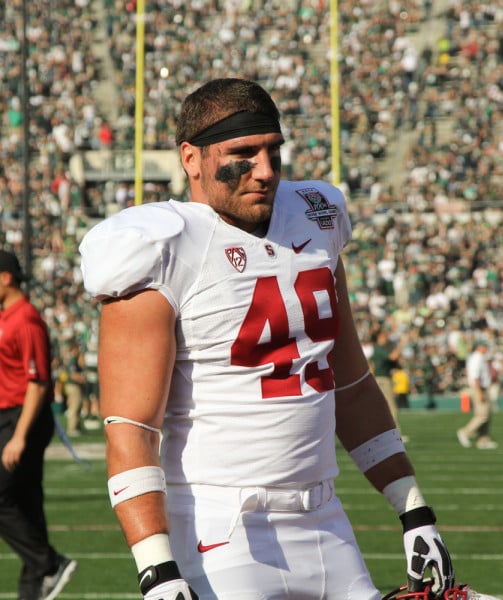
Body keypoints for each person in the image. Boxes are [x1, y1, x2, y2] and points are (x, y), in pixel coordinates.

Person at [79, 78, 454, 600]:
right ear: (192, 158)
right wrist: (157, 571)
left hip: (326, 520)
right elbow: (132, 429)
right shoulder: (162, 245)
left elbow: (350, 383)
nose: (266, 170)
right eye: (243, 153)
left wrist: (413, 510)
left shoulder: (316, 218)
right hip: (222, 530)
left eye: (273, 151)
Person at [0, 250, 77, 600]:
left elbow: (38, 382)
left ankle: (49, 564)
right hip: (11, 415)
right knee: (26, 502)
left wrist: (18, 436)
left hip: (24, 417)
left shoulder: (26, 319)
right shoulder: (8, 317)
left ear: (5, 278)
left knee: (4, 495)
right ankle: (34, 588)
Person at [457, 340, 498, 449]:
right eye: (484, 346)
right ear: (479, 347)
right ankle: (465, 432)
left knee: (487, 416)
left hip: (483, 388)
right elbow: (475, 377)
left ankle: (483, 440)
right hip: (479, 389)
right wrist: (479, 392)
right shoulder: (476, 358)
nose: (486, 349)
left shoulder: (480, 358)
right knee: (482, 415)